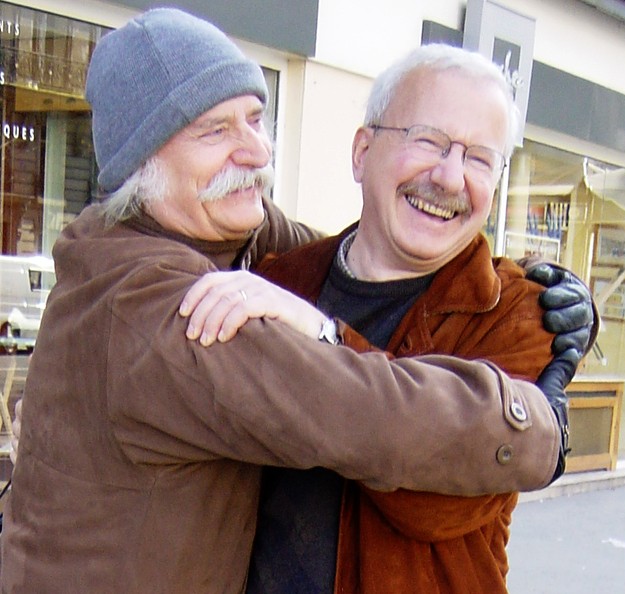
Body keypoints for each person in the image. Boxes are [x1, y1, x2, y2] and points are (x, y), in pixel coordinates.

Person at [1, 9, 593, 594]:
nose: (255, 152)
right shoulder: (158, 303)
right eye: (214, 131)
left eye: (256, 119)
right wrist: (540, 424)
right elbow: (364, 415)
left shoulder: (227, 243)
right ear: (141, 164)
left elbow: (343, 251)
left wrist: (550, 292)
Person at [177, 43, 594, 594]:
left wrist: (322, 337)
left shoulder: (520, 312)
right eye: (429, 141)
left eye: (479, 159)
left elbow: (434, 504)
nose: (450, 178)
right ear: (362, 152)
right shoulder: (284, 281)